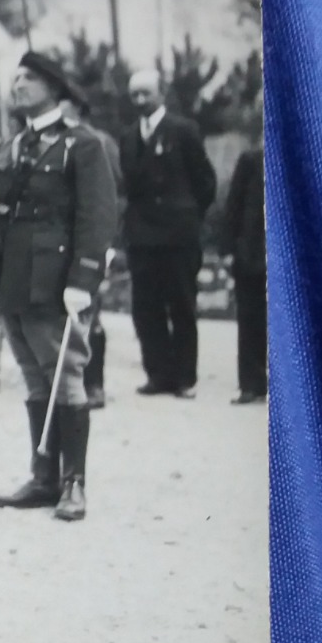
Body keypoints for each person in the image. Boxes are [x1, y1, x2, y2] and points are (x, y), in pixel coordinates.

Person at [0, 52, 117, 522]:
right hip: (11, 275)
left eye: (29, 78)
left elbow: (98, 217)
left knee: (65, 374)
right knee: (33, 376)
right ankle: (43, 476)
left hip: (56, 279)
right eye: (17, 77)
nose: (18, 85)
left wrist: (84, 278)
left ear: (55, 88)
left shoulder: (81, 145)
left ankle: (74, 482)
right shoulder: (10, 147)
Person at [121, 68, 217, 399]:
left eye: (146, 93)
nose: (140, 100)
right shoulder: (129, 136)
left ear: (161, 93)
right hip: (142, 237)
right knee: (145, 307)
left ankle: (184, 377)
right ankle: (157, 374)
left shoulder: (184, 130)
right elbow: (131, 187)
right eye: (134, 94)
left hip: (178, 236)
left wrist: (188, 215)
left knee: (181, 305)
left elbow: (205, 182)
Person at [62, 98, 125, 409]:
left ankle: (94, 384)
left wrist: (107, 241)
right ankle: (67, 383)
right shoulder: (49, 141)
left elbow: (111, 194)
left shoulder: (99, 143)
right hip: (59, 240)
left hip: (91, 239)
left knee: (90, 313)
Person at [221, 141, 267, 404]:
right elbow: (233, 206)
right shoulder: (251, 160)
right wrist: (228, 249)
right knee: (250, 319)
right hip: (253, 253)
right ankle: (252, 384)